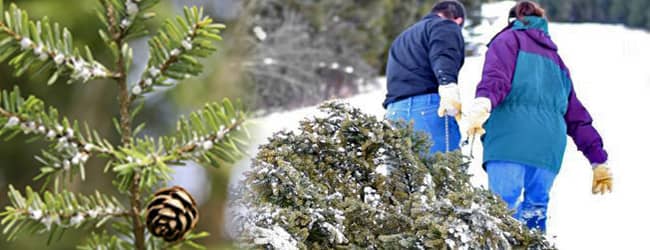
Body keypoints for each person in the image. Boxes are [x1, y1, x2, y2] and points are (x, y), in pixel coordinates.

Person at [464, 1, 613, 232]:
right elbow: (577, 116)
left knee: (500, 215)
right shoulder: (558, 62)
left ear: (513, 20)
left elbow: (496, 79)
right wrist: (598, 160)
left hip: (509, 141)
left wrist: (482, 104)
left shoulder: (507, 41)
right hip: (548, 149)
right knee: (535, 213)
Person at [383, 0, 466, 154]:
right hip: (428, 109)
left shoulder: (402, 38)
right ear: (458, 20)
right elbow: (444, 54)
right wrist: (448, 85)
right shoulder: (445, 25)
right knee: (445, 174)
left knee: (402, 176)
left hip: (395, 112)